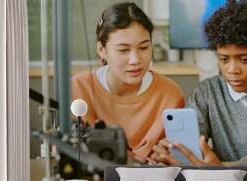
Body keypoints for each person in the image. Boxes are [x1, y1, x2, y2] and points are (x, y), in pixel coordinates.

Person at [150, 0, 247, 166]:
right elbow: (191, 138)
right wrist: (173, 150)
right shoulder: (207, 91)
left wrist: (226, 170)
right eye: (224, 59)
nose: (232, 69)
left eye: (245, 60)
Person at [72, 2, 184, 163]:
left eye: (144, 47)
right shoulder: (79, 88)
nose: (135, 60)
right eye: (124, 50)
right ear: (101, 50)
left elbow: (175, 159)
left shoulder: (170, 94)